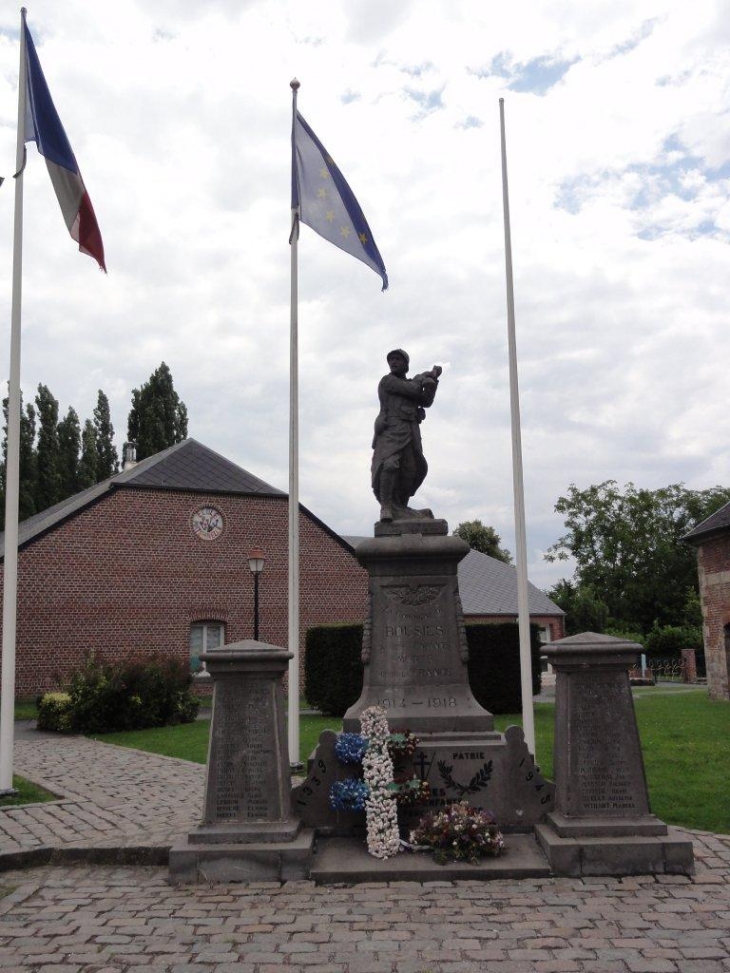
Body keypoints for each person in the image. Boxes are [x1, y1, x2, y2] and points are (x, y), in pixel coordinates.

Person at [371, 349, 442, 522]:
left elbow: (425, 400)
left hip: (410, 432)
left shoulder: (411, 384)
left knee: (410, 470)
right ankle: (386, 507)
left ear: (406, 364)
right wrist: (423, 377)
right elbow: (411, 389)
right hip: (391, 431)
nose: (393, 362)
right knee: (389, 465)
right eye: (391, 359)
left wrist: (432, 384)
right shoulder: (388, 381)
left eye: (398, 359)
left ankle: (400, 507)